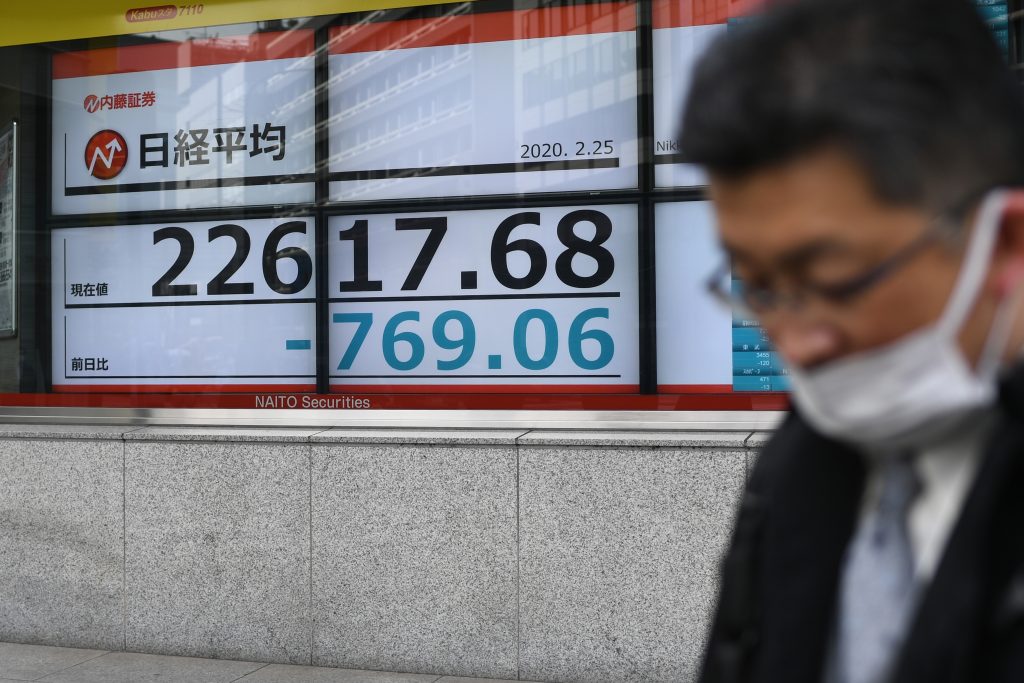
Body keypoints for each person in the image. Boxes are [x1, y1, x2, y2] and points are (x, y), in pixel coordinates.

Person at [677, 0, 1024, 682]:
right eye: (757, 285)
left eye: (834, 279)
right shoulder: (801, 461)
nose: (796, 344)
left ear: (1004, 240)